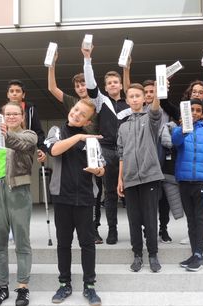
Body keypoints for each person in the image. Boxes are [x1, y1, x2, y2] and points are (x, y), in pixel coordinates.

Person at [45, 99, 104, 306]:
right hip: (62, 196)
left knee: (87, 243)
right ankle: (64, 284)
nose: (77, 114)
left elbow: (101, 167)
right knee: (63, 243)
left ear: (88, 120)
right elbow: (54, 150)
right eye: (76, 109)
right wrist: (78, 136)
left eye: (83, 114)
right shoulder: (56, 130)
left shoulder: (91, 140)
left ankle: (89, 286)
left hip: (86, 197)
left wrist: (97, 170)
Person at [0, 102, 37, 306]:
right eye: (7, 114)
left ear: (22, 117)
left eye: (15, 114)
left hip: (19, 191)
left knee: (22, 241)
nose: (11, 117)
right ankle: (2, 287)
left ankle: (23, 287)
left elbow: (22, 145)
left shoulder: (29, 134)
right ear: (3, 117)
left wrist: (5, 135)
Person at [47, 51, 104, 244]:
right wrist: (52, 64)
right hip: (72, 144)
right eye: (77, 85)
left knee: (95, 190)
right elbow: (52, 88)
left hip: (95, 147)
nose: (80, 88)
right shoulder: (73, 102)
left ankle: (94, 228)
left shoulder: (98, 101)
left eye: (83, 84)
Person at [83, 45, 130, 245]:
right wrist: (87, 59)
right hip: (108, 151)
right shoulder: (102, 102)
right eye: (109, 82)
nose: (112, 85)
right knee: (110, 192)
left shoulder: (131, 102)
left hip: (128, 152)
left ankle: (143, 229)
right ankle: (112, 230)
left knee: (133, 192)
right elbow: (91, 85)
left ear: (121, 85)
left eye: (115, 82)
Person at [117, 83, 165, 273]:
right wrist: (120, 179)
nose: (135, 99)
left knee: (150, 218)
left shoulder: (150, 119)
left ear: (145, 98)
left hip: (149, 177)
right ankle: (137, 255)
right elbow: (121, 154)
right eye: (132, 96)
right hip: (129, 179)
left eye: (139, 96)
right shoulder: (123, 126)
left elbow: (155, 111)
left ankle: (153, 254)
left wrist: (159, 89)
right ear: (127, 100)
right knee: (134, 219)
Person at [172, 99, 203, 272]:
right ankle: (195, 254)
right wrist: (184, 128)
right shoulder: (179, 130)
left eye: (198, 110)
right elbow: (175, 141)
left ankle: (199, 256)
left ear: (202, 114)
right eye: (191, 109)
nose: (194, 112)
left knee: (200, 220)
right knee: (191, 221)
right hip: (184, 182)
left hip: (202, 182)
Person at [178, 80, 203, 246]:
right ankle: (193, 234)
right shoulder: (181, 121)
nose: (197, 94)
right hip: (186, 174)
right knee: (190, 209)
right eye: (194, 91)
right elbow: (175, 141)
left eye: (201, 92)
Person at [6, 79, 47, 163]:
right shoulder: (2, 111)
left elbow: (38, 131)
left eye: (18, 91)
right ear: (8, 94)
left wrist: (42, 149)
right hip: (6, 149)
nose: (14, 93)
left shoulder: (30, 109)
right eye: (11, 91)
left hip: (24, 148)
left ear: (23, 95)